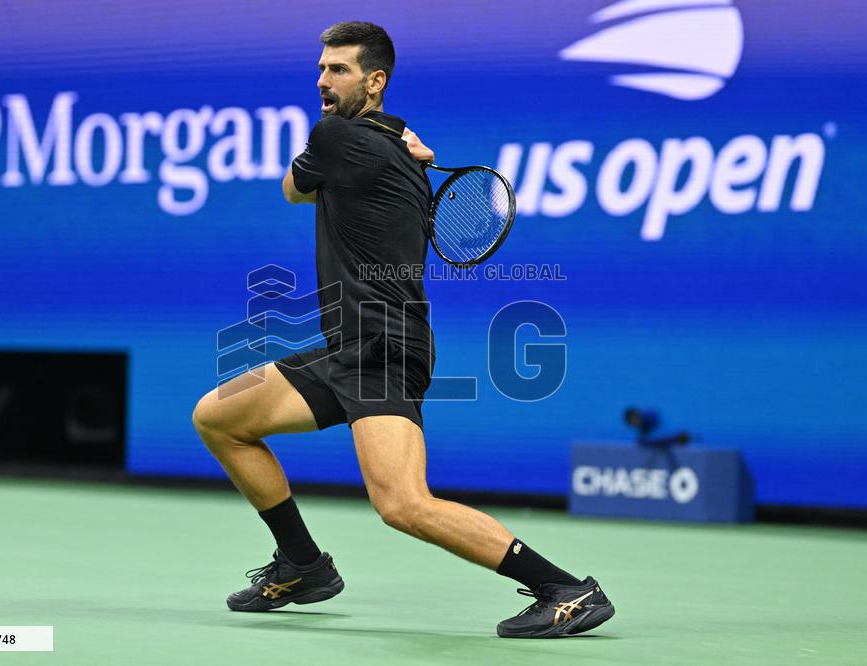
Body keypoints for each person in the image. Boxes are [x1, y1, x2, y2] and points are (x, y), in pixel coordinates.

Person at [192, 21, 615, 638]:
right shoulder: (405, 154)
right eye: (321, 68)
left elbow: (292, 191)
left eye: (339, 70)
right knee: (218, 417)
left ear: (376, 79)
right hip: (350, 345)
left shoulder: (337, 138)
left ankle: (566, 589)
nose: (322, 81)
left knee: (402, 504)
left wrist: (329, 160)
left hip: (381, 347)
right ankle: (304, 565)